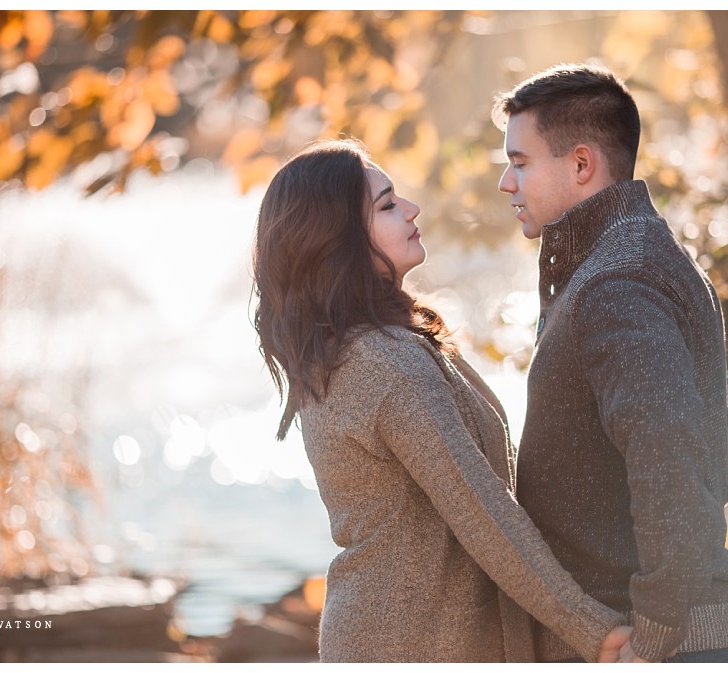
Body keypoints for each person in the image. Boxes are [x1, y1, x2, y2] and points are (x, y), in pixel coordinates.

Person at [252, 138, 631, 663]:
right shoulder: (382, 362)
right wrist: (592, 628)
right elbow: (481, 508)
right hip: (409, 645)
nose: (411, 209)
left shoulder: (377, 344)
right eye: (386, 205)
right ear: (336, 241)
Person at [491, 63, 728, 663]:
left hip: (639, 644)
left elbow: (670, 449)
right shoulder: (636, 258)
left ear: (581, 165)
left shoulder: (617, 281)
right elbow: (718, 429)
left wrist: (653, 634)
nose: (507, 183)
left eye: (520, 162)